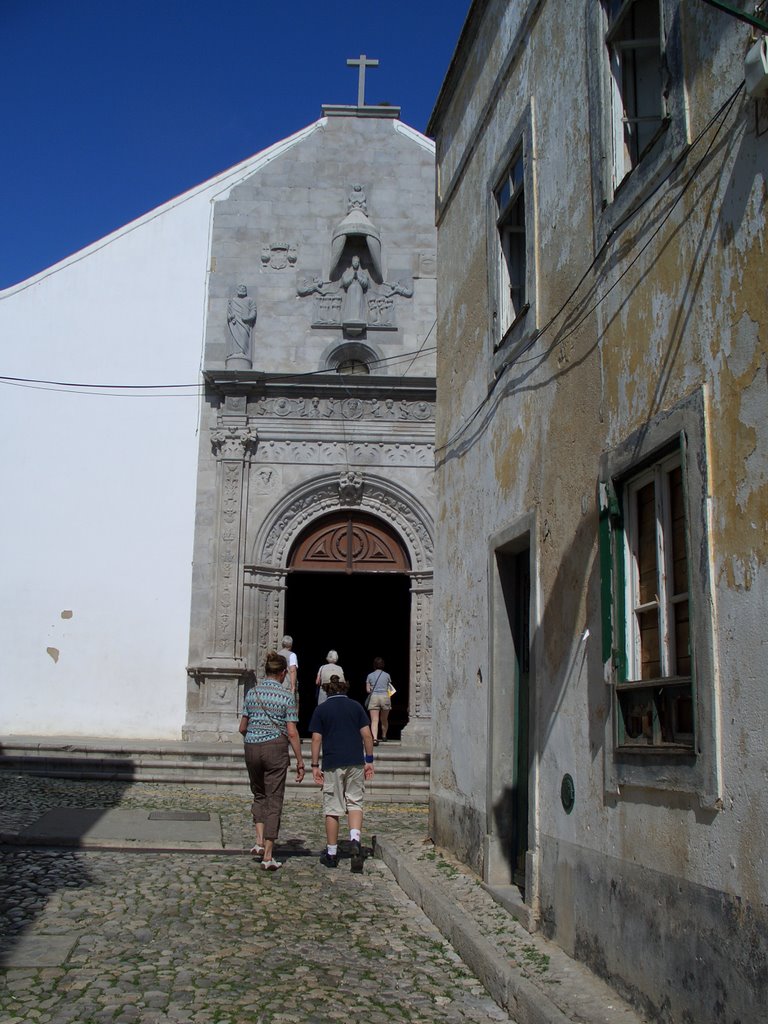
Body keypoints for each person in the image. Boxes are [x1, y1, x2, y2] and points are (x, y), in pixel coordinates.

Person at [238, 652, 305, 871]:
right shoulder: (286, 696)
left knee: (259, 794)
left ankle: (258, 841)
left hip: (251, 748)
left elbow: (242, 727)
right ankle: (268, 854)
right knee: (274, 799)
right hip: (275, 749)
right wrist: (300, 761)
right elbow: (292, 732)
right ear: (283, 673)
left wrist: (255, 738)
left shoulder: (252, 693)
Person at [309, 674, 374, 872]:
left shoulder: (321, 709)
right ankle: (355, 841)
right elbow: (367, 735)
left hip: (332, 762)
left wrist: (314, 765)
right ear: (345, 687)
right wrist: (369, 760)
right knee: (355, 802)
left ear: (326, 689)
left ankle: (331, 853)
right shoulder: (356, 707)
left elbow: (316, 739)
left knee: (333, 807)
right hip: (355, 761)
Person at [366, 657, 393, 746]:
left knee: (374, 720)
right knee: (384, 719)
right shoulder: (387, 675)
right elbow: (389, 688)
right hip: (385, 697)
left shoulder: (370, 675)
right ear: (383, 665)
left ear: (374, 665)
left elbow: (368, 690)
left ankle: (375, 738)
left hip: (374, 697)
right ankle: (384, 736)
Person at [226, 284, 257, 361]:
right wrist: (230, 317)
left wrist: (248, 318)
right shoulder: (233, 300)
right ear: (237, 290)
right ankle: (234, 353)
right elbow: (229, 313)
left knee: (244, 336)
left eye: (244, 289)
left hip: (245, 323)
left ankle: (243, 352)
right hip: (235, 323)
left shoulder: (250, 300)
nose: (242, 290)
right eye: (240, 288)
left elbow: (253, 311)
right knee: (235, 337)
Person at [340, 255, 369, 326]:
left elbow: (365, 283)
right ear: (352, 263)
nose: (356, 263)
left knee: (358, 303)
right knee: (350, 304)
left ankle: (359, 319)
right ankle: (348, 319)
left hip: (359, 289)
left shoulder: (362, 273)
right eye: (354, 262)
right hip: (350, 290)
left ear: (359, 263)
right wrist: (352, 276)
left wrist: (358, 277)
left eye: (357, 262)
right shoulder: (347, 272)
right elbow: (345, 282)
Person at [278, 634, 298, 710]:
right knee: (290, 710)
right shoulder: (292, 655)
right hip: (287, 686)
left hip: (277, 685)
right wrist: (293, 687)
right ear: (291, 645)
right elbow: (292, 670)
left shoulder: (277, 654)